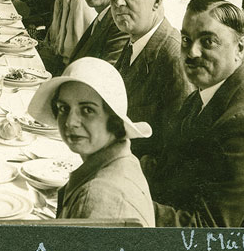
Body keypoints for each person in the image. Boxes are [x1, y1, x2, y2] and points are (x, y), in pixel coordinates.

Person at [148, 0, 244, 228]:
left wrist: (130, 204)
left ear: (240, 48)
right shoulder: (214, 89)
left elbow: (209, 230)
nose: (192, 52)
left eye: (208, 41)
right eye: (186, 40)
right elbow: (171, 162)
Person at [27, 57, 155, 226]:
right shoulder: (125, 161)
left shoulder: (95, 199)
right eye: (64, 108)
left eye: (87, 110)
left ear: (114, 119)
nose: (70, 122)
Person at [109, 0, 193, 163]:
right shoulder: (135, 40)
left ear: (156, 1)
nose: (119, 2)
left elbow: (176, 154)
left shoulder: (173, 57)